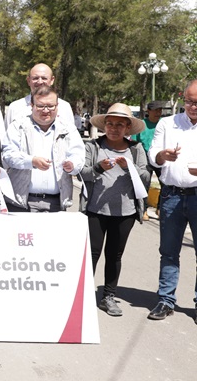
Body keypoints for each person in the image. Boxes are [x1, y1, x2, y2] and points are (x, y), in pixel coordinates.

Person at [80, 103, 149, 316]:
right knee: (91, 253)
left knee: (114, 255)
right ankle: (81, 296)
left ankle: (108, 296)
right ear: (104, 126)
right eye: (110, 124)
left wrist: (130, 167)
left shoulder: (135, 149)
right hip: (95, 209)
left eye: (120, 124)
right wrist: (99, 167)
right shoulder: (93, 146)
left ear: (128, 128)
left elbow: (146, 177)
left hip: (125, 212)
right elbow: (81, 173)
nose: (114, 128)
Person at [146, 80, 197, 321]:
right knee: (168, 251)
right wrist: (162, 155)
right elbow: (153, 155)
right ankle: (166, 300)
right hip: (171, 195)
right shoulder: (168, 124)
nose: (192, 107)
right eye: (188, 101)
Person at [2, 85, 84, 212]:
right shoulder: (18, 126)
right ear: (31, 105)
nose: (46, 110)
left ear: (57, 106)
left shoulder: (68, 129)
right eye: (40, 106)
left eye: (51, 106)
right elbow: (8, 155)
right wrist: (31, 161)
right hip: (20, 203)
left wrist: (72, 165)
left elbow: (78, 154)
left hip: (56, 203)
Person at [4, 63, 75, 129]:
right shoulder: (15, 108)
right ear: (28, 81)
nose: (40, 82)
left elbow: (71, 138)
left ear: (52, 80)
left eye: (44, 78)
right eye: (35, 78)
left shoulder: (64, 107)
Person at [133, 100, 165, 221]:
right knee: (145, 183)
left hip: (160, 156)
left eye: (160, 110)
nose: (158, 113)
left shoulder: (164, 123)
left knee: (165, 183)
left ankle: (160, 208)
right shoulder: (141, 124)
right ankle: (144, 209)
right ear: (149, 111)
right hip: (145, 157)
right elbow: (134, 142)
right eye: (156, 110)